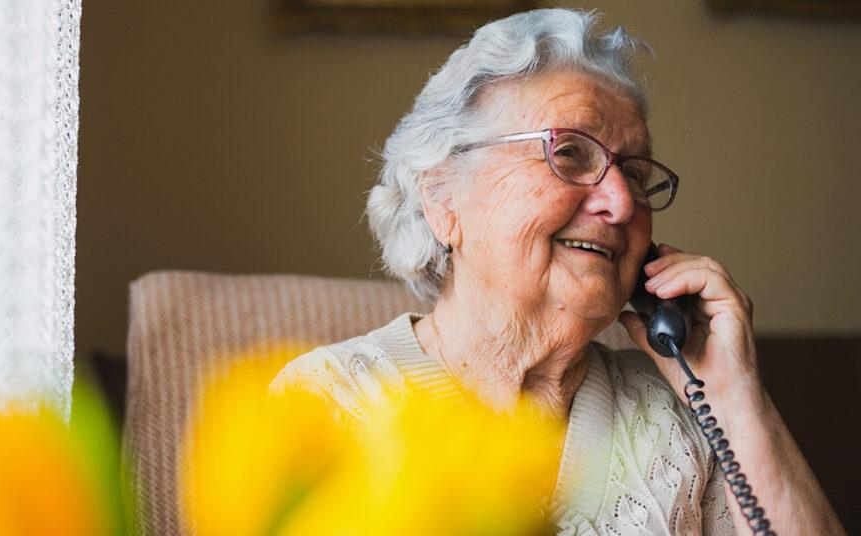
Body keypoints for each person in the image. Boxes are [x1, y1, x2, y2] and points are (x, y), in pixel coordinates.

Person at [270, 8, 844, 535]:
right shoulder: (327, 405)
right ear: (443, 198)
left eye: (637, 174)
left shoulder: (683, 411)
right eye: (569, 152)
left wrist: (734, 398)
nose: (620, 203)